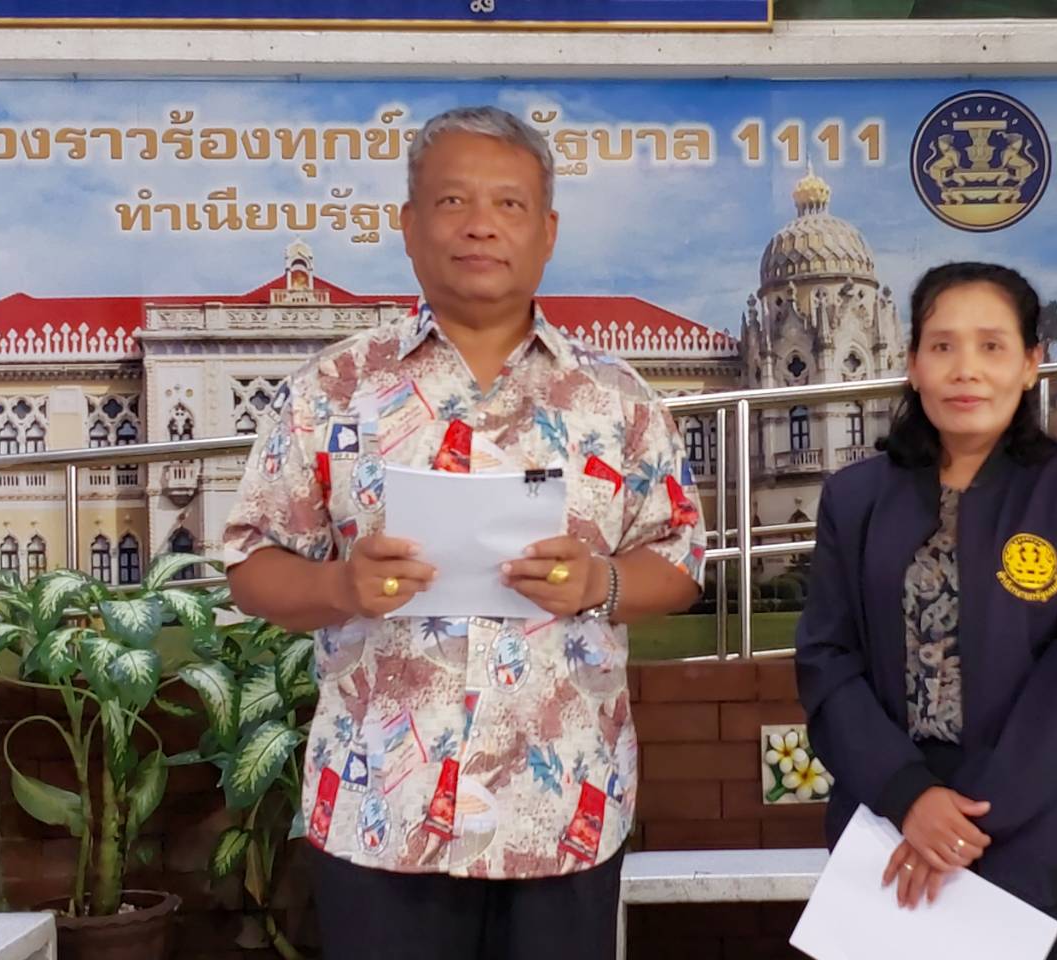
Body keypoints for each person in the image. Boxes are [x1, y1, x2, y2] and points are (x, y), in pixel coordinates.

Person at [223, 106, 706, 960]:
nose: (481, 224)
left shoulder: (617, 400)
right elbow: (250, 564)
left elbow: (679, 560)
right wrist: (338, 586)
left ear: (547, 232)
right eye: (453, 201)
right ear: (408, 226)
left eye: (508, 204)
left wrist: (601, 583)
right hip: (381, 812)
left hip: (560, 810)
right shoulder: (332, 390)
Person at [794, 261, 1057, 958]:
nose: (966, 370)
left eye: (991, 346)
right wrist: (908, 797)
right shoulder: (855, 499)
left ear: (1030, 364)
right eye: (942, 346)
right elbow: (827, 659)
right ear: (912, 364)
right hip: (888, 837)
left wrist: (965, 820)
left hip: (1040, 839)